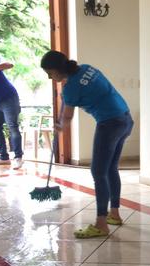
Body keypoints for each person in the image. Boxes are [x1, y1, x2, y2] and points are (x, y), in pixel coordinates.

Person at [40, 51, 133, 239]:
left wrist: (60, 126)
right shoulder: (86, 68)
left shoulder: (70, 89)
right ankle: (114, 214)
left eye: (49, 73)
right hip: (125, 118)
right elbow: (82, 92)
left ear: (57, 70)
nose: (50, 77)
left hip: (109, 123)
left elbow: (67, 117)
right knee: (110, 168)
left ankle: (101, 224)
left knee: (98, 172)